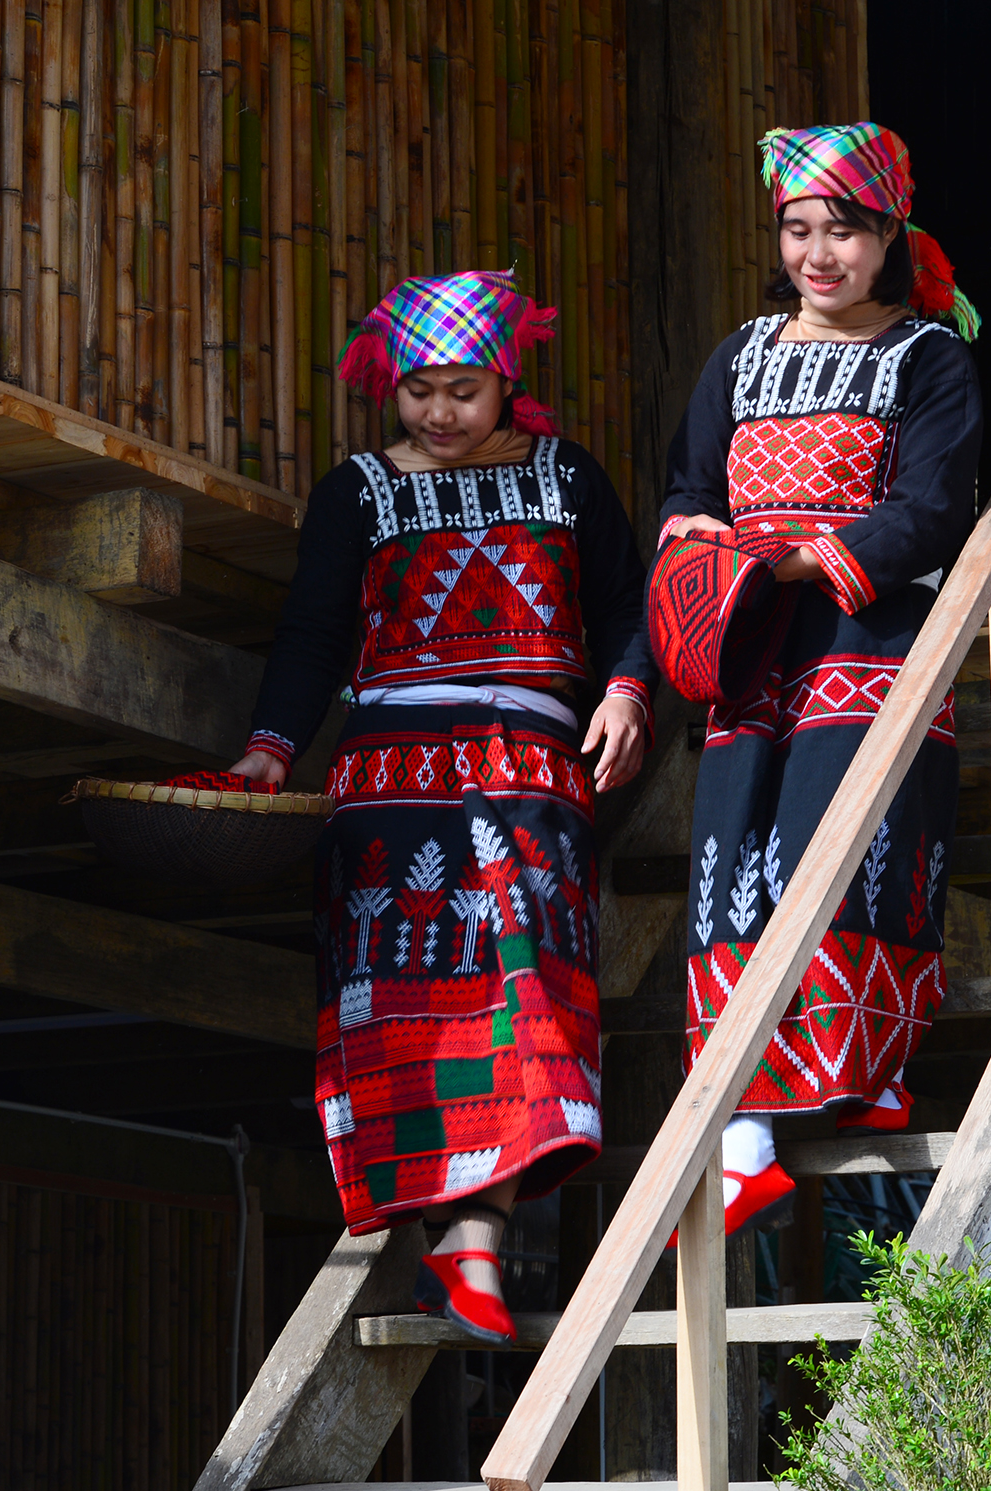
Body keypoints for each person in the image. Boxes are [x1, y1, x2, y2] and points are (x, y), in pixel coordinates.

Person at [228, 270, 654, 1345]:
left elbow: (624, 605)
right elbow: (315, 634)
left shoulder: (565, 478)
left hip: (528, 766)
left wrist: (625, 689)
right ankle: (463, 1259)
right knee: (400, 1011)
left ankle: (476, 1252)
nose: (439, 413)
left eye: (462, 389)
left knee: (526, 1003)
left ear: (506, 380)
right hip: (388, 776)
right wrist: (271, 751)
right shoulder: (358, 492)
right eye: (418, 390)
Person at [656, 123, 984, 1238]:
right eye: (799, 229)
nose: (819, 253)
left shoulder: (926, 358)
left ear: (890, 235)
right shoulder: (739, 356)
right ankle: (744, 1132)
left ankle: (868, 1067)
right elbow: (691, 485)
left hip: (866, 634)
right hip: (751, 645)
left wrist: (798, 557)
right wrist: (696, 547)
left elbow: (935, 506)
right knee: (734, 857)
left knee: (837, 842)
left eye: (843, 229)